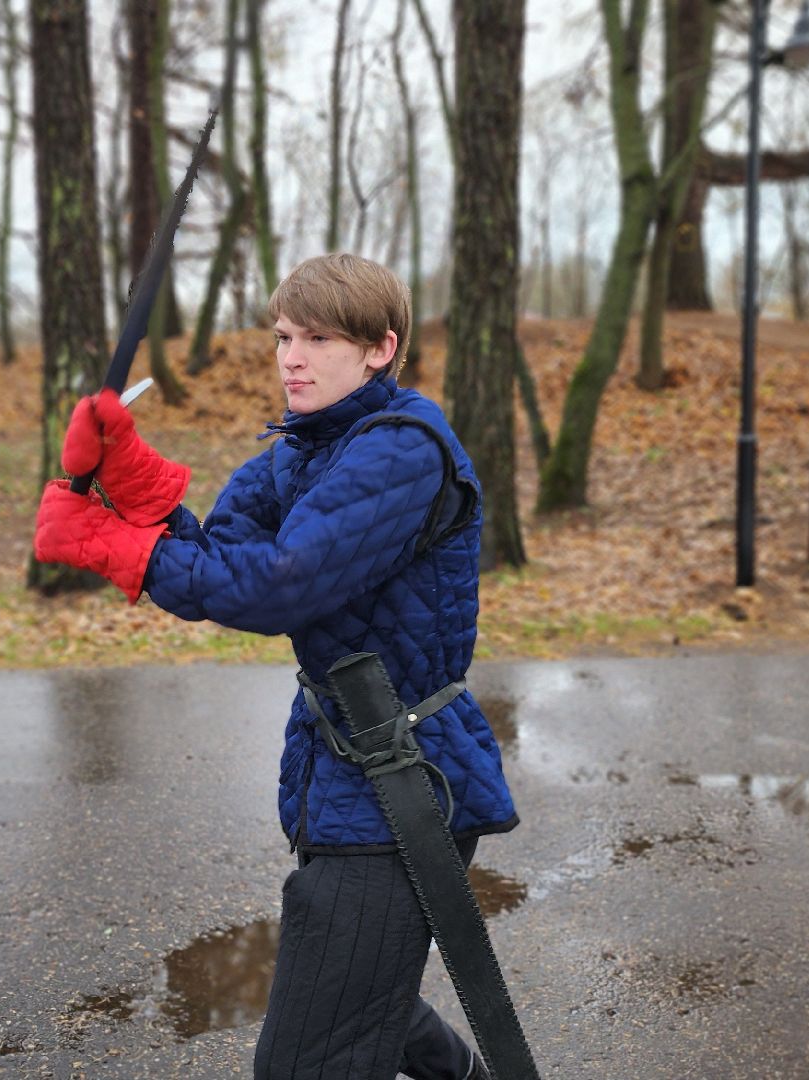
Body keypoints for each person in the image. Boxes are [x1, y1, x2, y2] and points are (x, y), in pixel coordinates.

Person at [33, 253, 518, 1079]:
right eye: (284, 336)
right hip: (341, 771)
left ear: (380, 348)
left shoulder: (401, 450)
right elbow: (222, 556)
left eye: (318, 338)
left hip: (404, 781)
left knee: (308, 1058)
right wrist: (132, 481)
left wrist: (118, 545)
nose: (291, 357)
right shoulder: (300, 450)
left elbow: (278, 587)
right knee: (370, 996)